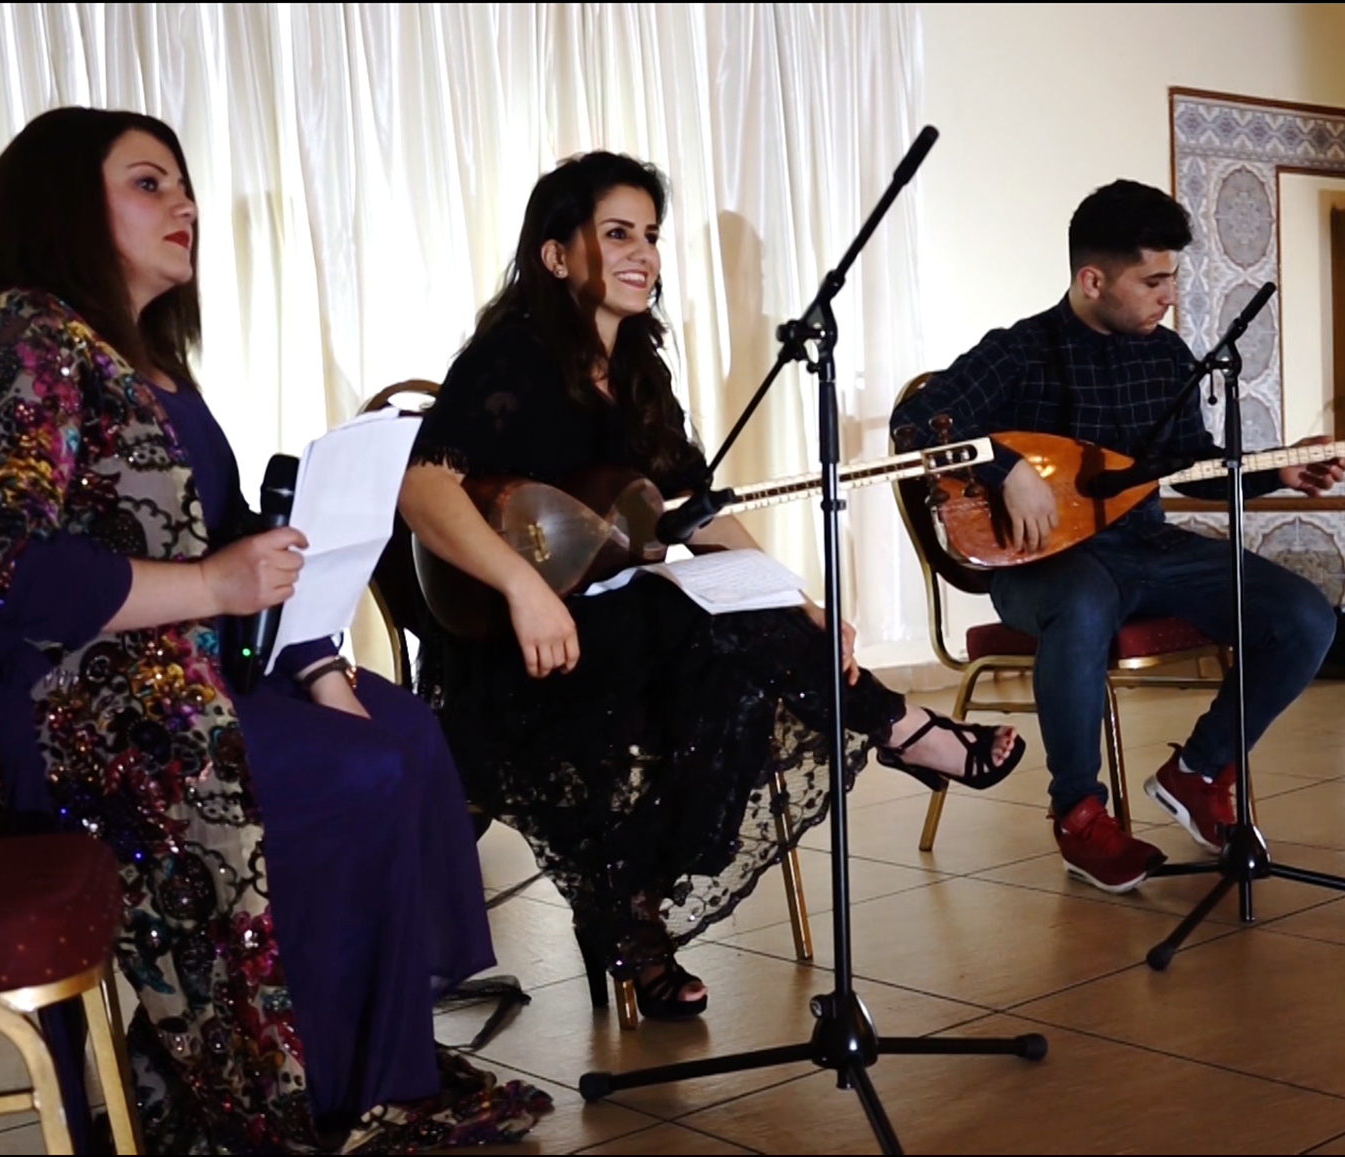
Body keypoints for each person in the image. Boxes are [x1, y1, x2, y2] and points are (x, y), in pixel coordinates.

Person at [0, 106, 547, 1153]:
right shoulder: (13, 338)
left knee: (402, 731)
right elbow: (9, 570)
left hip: (177, 675)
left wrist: (317, 656)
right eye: (148, 182)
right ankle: (297, 1088)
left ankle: (374, 1067)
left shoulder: (145, 360)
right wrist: (212, 582)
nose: (186, 204)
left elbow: (233, 538)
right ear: (61, 204)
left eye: (184, 183)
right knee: (351, 773)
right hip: (58, 709)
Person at [398, 151, 1024, 1024]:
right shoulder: (512, 356)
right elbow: (422, 486)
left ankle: (632, 908)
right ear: (555, 254)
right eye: (619, 233)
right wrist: (523, 589)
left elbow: (694, 512)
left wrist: (798, 600)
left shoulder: (639, 369)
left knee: (736, 654)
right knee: (712, 641)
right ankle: (902, 730)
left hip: (620, 626)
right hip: (517, 648)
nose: (644, 254)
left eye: (651, 236)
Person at [891, 179, 1345, 894]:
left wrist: (1278, 468)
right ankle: (1078, 814)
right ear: (1092, 280)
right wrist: (1007, 467)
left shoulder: (1165, 356)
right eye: (1153, 281)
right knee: (1083, 601)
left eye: (1173, 278)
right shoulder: (1019, 351)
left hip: (1148, 548)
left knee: (1303, 615)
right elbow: (916, 422)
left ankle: (1198, 771)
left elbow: (1190, 468)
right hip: (1044, 565)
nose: (1170, 296)